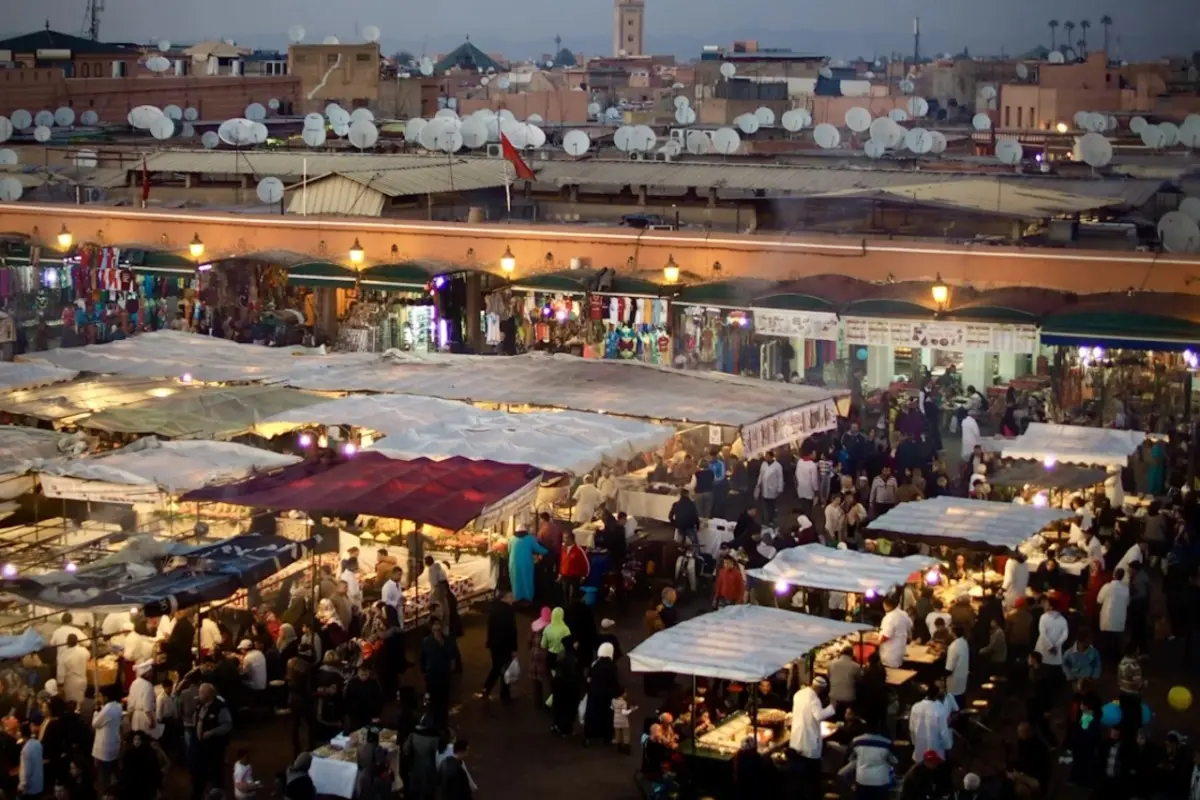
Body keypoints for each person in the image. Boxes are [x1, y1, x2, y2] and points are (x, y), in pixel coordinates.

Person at [790, 676, 835, 797]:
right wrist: (832, 707)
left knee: (797, 776)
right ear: (821, 689)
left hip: (796, 738)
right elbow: (819, 715)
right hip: (808, 742)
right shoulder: (814, 699)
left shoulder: (799, 693)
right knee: (810, 777)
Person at [192, 683, 233, 800]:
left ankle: (219, 795)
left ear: (209, 694)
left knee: (216, 772)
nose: (198, 695)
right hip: (201, 746)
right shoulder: (200, 704)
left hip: (215, 747)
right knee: (199, 771)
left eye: (201, 693)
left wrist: (211, 733)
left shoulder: (220, 707)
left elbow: (227, 725)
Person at [419, 617, 459, 729]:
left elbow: (453, 657)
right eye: (434, 625)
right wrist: (424, 671)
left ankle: (443, 722)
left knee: (444, 700)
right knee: (433, 700)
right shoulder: (426, 642)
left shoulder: (448, 640)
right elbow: (422, 658)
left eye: (438, 624)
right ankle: (434, 722)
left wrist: (451, 669)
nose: (437, 627)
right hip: (432, 675)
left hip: (444, 675)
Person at [838, 729, 897, 800]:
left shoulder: (856, 741)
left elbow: (850, 759)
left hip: (862, 781)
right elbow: (895, 761)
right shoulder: (887, 742)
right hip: (881, 782)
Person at [481, 593, 518, 702]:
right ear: (505, 597)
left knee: (496, 667)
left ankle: (486, 688)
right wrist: (514, 648)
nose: (513, 599)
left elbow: (490, 627)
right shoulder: (509, 611)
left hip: (495, 645)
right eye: (511, 596)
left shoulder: (494, 609)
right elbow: (512, 631)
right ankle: (505, 695)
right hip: (505, 646)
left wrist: (489, 642)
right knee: (505, 669)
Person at [584, 642, 620, 745]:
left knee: (592, 715)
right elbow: (613, 682)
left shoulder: (595, 663)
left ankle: (589, 735)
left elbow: (588, 678)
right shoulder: (612, 666)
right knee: (607, 716)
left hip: (594, 693)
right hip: (606, 695)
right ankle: (606, 737)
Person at [909, 683, 953, 761]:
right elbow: (943, 731)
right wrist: (948, 746)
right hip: (935, 748)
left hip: (919, 746)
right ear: (936, 695)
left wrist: (914, 742)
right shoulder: (939, 707)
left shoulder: (915, 706)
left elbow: (911, 727)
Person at [402, 715, 440, 800]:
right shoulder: (434, 738)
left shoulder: (413, 735)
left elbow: (405, 749)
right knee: (427, 791)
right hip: (429, 768)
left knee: (415, 789)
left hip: (415, 766)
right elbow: (438, 752)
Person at [92, 684, 122, 789]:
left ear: (106, 697)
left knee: (103, 778)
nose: (99, 698)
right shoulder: (118, 706)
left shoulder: (108, 709)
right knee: (111, 772)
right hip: (114, 745)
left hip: (104, 749)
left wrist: (96, 711)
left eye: (101, 696)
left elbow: (95, 724)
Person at [507, 528, 547, 604]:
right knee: (527, 579)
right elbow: (538, 548)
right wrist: (546, 551)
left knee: (516, 580)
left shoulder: (511, 538)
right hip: (526, 563)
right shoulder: (530, 539)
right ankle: (528, 598)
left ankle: (517, 597)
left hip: (514, 563)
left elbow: (509, 550)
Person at [120, 731, 162, 800]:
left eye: (138, 739)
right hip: (147, 788)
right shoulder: (151, 752)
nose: (136, 741)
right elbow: (156, 771)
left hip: (132, 788)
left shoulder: (129, 753)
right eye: (135, 739)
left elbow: (125, 772)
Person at [1035, 594, 1068, 669]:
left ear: (1051, 607)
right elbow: (1065, 635)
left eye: (1046, 604)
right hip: (1056, 652)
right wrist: (1056, 646)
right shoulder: (1062, 619)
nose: (1044, 605)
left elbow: (1043, 634)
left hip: (1043, 649)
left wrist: (1050, 647)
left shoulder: (1043, 617)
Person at [878, 596, 912, 668]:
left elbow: (885, 636)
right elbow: (910, 626)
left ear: (885, 605)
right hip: (900, 650)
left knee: (890, 673)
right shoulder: (904, 614)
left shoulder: (889, 618)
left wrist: (876, 642)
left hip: (890, 654)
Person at [128, 661, 159, 739]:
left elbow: (130, 705)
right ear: (146, 673)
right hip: (145, 717)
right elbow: (147, 706)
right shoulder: (148, 685)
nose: (151, 674)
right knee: (146, 740)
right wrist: (151, 720)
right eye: (150, 672)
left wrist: (130, 718)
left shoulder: (133, 683)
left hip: (135, 716)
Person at [558, 532, 590, 606]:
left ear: (570, 539)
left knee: (574, 596)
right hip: (565, 576)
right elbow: (562, 561)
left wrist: (584, 576)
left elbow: (586, 563)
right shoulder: (563, 548)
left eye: (565, 538)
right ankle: (567, 609)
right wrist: (560, 573)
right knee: (565, 594)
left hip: (574, 577)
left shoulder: (579, 550)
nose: (563, 540)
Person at [56, 634, 88, 706]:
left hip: (71, 683)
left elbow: (60, 674)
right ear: (77, 642)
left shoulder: (64, 655)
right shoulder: (83, 651)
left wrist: (60, 686)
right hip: (83, 680)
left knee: (73, 705)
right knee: (82, 703)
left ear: (67, 642)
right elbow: (88, 656)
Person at [828, 646, 862, 711]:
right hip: (849, 698)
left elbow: (829, 677)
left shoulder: (831, 664)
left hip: (833, 697)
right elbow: (859, 680)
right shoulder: (856, 666)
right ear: (852, 655)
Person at [755, 451, 784, 525]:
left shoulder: (777, 466)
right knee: (765, 504)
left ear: (771, 457)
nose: (766, 457)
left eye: (767, 456)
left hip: (773, 488)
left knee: (772, 505)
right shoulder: (763, 464)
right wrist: (758, 484)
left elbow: (780, 477)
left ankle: (772, 518)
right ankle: (766, 519)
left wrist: (780, 488)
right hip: (765, 488)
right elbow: (761, 474)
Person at [944, 624, 970, 708]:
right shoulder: (964, 642)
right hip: (963, 676)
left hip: (954, 680)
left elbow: (949, 668)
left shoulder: (953, 646)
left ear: (953, 633)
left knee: (954, 705)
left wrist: (941, 678)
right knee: (962, 701)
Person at [18, 722, 43, 799]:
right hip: (39, 783)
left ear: (21, 734)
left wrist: (21, 786)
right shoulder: (38, 744)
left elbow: (26, 772)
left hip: (30, 788)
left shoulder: (25, 750)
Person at [611, 686, 635, 754]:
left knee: (617, 734)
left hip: (616, 721)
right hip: (623, 721)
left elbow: (612, 708)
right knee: (626, 734)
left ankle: (619, 747)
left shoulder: (613, 700)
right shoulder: (623, 702)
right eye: (625, 692)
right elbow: (624, 712)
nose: (626, 694)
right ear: (621, 694)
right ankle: (626, 748)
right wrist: (631, 710)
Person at [795, 451, 820, 517]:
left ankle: (804, 519)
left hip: (801, 487)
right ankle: (808, 521)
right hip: (809, 489)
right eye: (814, 453)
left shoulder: (800, 461)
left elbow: (796, 473)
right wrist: (816, 489)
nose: (815, 455)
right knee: (809, 507)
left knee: (803, 504)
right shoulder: (812, 465)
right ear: (810, 454)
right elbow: (814, 480)